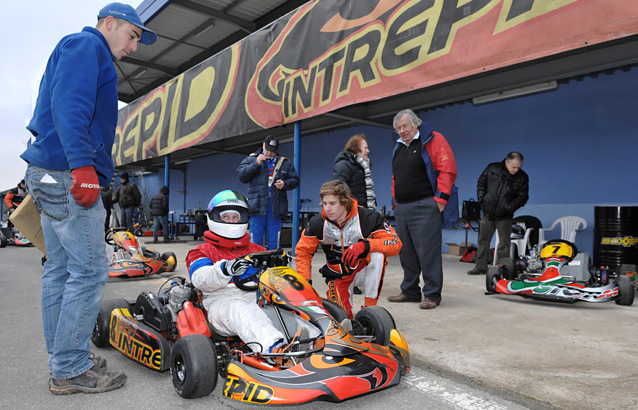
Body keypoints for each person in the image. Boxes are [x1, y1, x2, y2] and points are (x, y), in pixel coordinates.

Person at [19, 2, 156, 395]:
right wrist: (82, 167)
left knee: (60, 271)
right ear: (109, 23)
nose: (134, 47)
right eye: (132, 36)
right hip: (66, 172)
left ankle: (64, 358)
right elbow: (70, 107)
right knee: (91, 270)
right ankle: (70, 367)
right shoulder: (87, 46)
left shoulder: (79, 48)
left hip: (49, 171)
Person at [186, 190, 315, 359]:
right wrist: (226, 269)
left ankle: (320, 338)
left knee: (291, 305)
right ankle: (276, 350)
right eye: (226, 217)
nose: (232, 221)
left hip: (258, 297)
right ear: (214, 218)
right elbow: (200, 279)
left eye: (235, 217)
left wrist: (282, 264)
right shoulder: (202, 251)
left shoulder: (256, 249)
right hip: (221, 302)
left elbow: (277, 277)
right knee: (244, 311)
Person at [295, 180, 402, 318]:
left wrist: (366, 245)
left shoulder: (368, 217)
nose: (327, 209)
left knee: (377, 255)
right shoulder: (317, 223)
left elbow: (395, 244)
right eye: (325, 203)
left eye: (332, 203)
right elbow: (303, 252)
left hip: (362, 271)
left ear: (345, 202)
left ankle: (370, 309)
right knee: (342, 318)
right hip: (338, 274)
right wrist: (305, 280)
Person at [387, 109, 457, 310]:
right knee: (406, 252)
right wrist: (394, 202)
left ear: (416, 124)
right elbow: (396, 176)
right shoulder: (399, 147)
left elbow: (447, 169)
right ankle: (409, 291)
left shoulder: (433, 139)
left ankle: (432, 294)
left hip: (425, 205)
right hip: (402, 208)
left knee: (428, 252)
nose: (402, 131)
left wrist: (441, 198)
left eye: (405, 126)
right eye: (398, 128)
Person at [467, 152, 529, 275]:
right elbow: (481, 183)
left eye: (519, 167)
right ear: (507, 162)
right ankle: (480, 267)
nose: (516, 170)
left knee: (504, 244)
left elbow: (523, 197)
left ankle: (502, 269)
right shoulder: (492, 168)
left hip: (505, 215)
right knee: (483, 240)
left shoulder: (523, 177)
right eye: (514, 167)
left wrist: (509, 207)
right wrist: (482, 200)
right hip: (487, 212)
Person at [236, 135, 299, 250]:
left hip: (276, 206)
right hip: (257, 205)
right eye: (268, 150)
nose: (270, 153)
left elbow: (295, 180)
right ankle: (255, 265)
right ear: (263, 145)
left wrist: (285, 184)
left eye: (273, 151)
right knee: (255, 240)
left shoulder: (285, 162)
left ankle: (273, 264)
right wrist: (256, 164)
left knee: (274, 241)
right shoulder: (251, 159)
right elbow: (241, 176)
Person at [333, 134, 377, 210]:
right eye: (365, 148)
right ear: (356, 149)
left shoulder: (363, 166)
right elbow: (339, 191)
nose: (368, 151)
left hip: (364, 210)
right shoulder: (343, 165)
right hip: (352, 211)